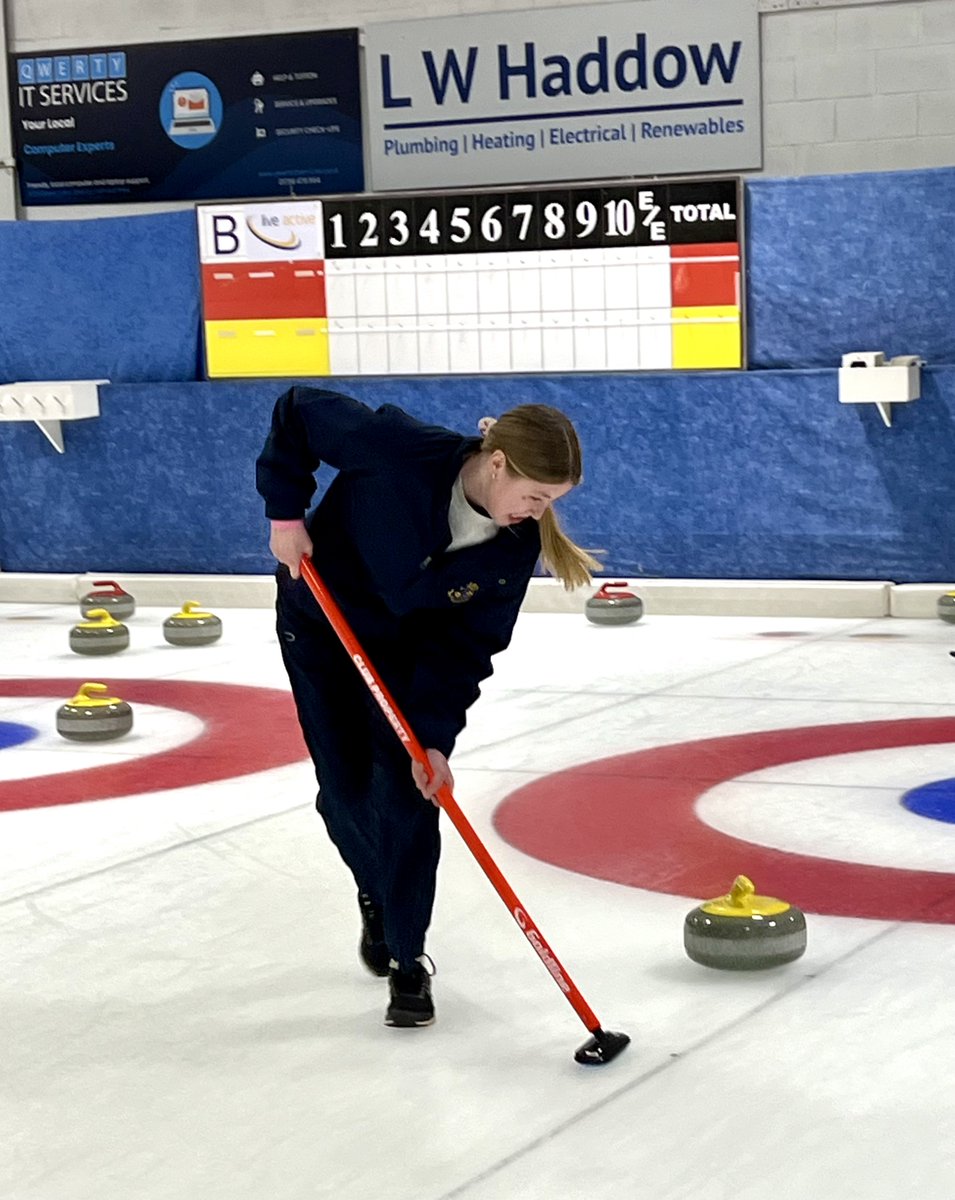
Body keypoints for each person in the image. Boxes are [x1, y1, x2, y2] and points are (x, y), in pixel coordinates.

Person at [255, 387, 597, 1029]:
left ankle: (409, 960)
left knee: (408, 795)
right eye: (536, 495)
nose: (538, 513)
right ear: (497, 464)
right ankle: (375, 889)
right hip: (323, 624)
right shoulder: (396, 450)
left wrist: (435, 737)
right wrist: (285, 515)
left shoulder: (513, 548)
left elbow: (469, 645)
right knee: (344, 791)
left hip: (407, 661)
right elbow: (299, 411)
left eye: (551, 501)